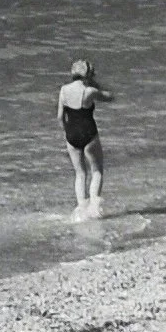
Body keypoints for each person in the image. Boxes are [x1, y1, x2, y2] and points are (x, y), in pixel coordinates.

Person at [58, 55, 109, 216]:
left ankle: (81, 209)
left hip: (71, 134)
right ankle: (94, 205)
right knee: (97, 170)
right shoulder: (89, 91)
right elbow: (110, 97)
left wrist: (66, 133)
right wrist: (96, 84)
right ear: (88, 74)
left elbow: (60, 116)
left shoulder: (64, 90)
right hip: (88, 133)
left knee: (80, 173)